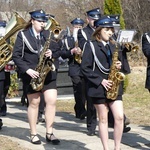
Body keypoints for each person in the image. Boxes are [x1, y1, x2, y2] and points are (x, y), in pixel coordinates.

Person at [12, 9, 60, 145]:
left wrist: (52, 53)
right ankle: (33, 133)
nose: (43, 24)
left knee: (51, 101)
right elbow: (16, 56)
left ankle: (49, 133)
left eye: (44, 21)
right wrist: (27, 70)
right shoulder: (23, 35)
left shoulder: (48, 34)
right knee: (34, 103)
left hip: (48, 73)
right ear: (32, 21)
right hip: (32, 74)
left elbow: (58, 49)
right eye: (40, 21)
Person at [80, 17, 124, 150]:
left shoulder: (114, 45)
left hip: (114, 85)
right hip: (98, 86)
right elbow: (85, 68)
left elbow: (122, 65)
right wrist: (100, 80)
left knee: (119, 117)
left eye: (111, 30)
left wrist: (119, 64)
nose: (110, 32)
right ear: (99, 30)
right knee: (103, 119)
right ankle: (106, 148)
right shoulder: (90, 45)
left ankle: (117, 147)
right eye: (107, 30)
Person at [78, 8, 101, 136]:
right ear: (88, 19)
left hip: (103, 67)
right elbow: (83, 45)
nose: (95, 21)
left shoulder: (104, 30)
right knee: (91, 99)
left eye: (97, 19)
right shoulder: (83, 32)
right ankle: (91, 126)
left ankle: (115, 120)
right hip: (90, 68)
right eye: (93, 19)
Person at [107, 15, 131, 133]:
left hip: (121, 67)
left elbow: (126, 50)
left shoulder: (120, 36)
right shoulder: (109, 37)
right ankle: (118, 119)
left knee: (117, 95)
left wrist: (127, 45)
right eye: (114, 25)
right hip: (112, 68)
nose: (116, 27)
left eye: (117, 25)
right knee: (113, 96)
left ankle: (116, 120)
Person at [61, 18, 87, 120]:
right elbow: (63, 54)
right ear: (72, 28)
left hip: (84, 67)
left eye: (80, 27)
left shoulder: (84, 38)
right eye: (76, 27)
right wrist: (72, 51)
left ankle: (79, 108)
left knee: (84, 90)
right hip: (74, 67)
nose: (78, 29)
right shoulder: (67, 39)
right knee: (78, 89)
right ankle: (81, 111)